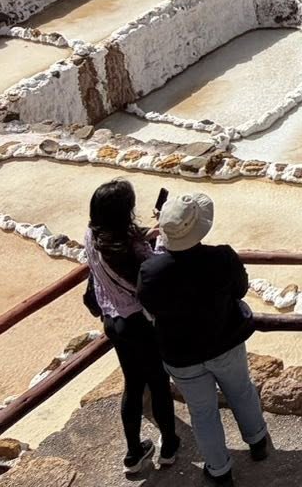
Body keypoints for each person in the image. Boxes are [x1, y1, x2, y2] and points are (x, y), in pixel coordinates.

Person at [138, 193, 270, 485]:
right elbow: (240, 290)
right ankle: (258, 441)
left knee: (202, 412)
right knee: (241, 391)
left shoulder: (151, 271)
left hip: (181, 355)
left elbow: (149, 308)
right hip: (225, 340)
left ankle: (220, 470)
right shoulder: (222, 256)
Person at [84, 179, 181, 479]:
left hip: (114, 322)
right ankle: (169, 447)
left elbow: (122, 251)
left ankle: (133, 454)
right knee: (158, 382)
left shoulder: (92, 235)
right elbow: (155, 270)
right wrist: (161, 237)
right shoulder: (132, 249)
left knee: (133, 385)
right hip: (141, 323)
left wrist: (143, 234)